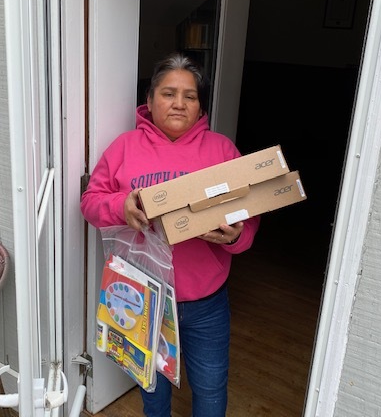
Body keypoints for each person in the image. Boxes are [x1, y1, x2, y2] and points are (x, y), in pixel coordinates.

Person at [80, 53, 260, 417]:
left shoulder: (222, 150)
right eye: (168, 93)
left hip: (205, 302)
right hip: (141, 299)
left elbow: (249, 220)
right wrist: (121, 206)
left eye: (190, 96)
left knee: (210, 385)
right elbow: (90, 202)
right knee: (151, 384)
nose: (179, 103)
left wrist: (233, 236)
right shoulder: (124, 147)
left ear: (199, 105)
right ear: (149, 100)